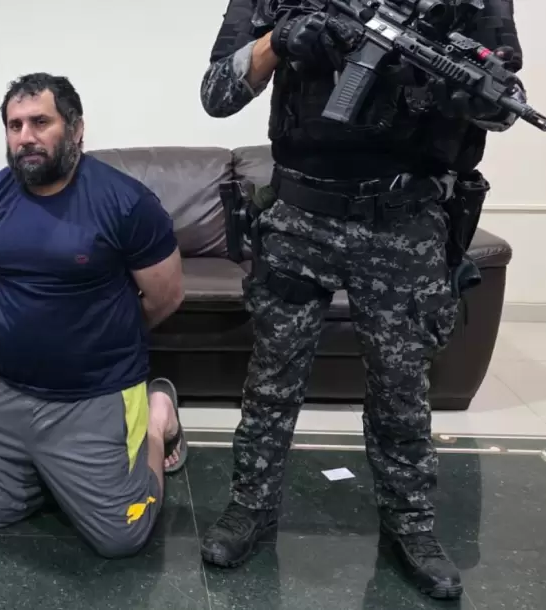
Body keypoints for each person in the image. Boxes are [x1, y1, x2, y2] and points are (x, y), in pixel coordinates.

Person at [197, 0, 525, 600]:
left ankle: (411, 527)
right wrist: (281, 39)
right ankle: (250, 508)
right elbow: (217, 92)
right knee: (271, 383)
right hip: (299, 216)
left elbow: (505, 100)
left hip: (404, 220)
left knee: (402, 394)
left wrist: (457, 95)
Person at [0, 73, 189, 558]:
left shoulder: (126, 202)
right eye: (15, 125)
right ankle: (55, 463)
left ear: (77, 128)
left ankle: (156, 417)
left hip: (95, 393)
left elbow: (166, 297)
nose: (25, 137)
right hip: (7, 387)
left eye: (40, 122)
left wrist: (99, 341)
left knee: (122, 535)